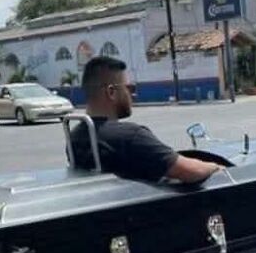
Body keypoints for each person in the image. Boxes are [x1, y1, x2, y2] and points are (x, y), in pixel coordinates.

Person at [70, 56, 223, 183]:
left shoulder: (75, 136)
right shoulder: (130, 136)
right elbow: (191, 171)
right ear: (111, 92)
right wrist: (215, 167)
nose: (133, 95)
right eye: (129, 88)